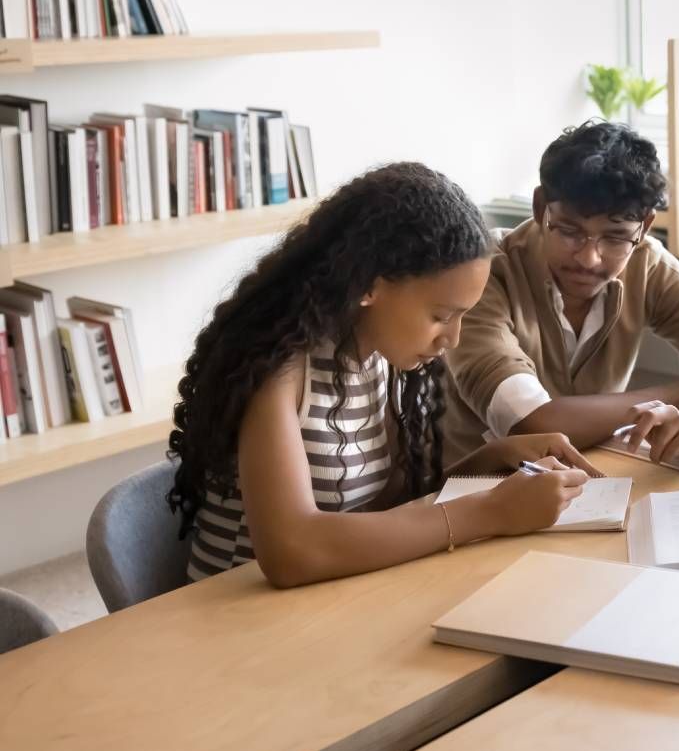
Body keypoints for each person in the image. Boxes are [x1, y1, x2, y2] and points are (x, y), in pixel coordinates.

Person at [169, 162, 599, 588]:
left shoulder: (377, 357)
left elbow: (384, 509)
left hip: (328, 603)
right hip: (235, 624)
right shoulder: (279, 371)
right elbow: (291, 551)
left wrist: (493, 461)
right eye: (441, 315)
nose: (453, 337)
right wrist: (490, 511)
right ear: (368, 287)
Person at [441, 121, 679, 469]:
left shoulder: (646, 263)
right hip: (477, 495)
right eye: (569, 231)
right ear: (539, 208)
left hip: (597, 481)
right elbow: (532, 424)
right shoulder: (482, 271)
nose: (589, 258)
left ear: (644, 227)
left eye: (614, 237)